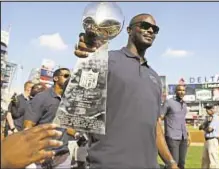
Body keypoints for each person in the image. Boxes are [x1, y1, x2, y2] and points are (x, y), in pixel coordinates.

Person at [74, 13, 178, 169]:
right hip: (109, 164)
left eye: (154, 29)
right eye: (144, 26)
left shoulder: (155, 77)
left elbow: (155, 126)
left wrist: (170, 162)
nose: (150, 30)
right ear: (129, 30)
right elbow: (76, 99)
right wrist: (86, 60)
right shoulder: (107, 59)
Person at [23, 68, 79, 169]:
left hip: (63, 156)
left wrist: (77, 133)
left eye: (70, 76)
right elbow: (28, 126)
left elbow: (66, 126)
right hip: (42, 156)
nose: (69, 78)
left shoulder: (70, 100)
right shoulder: (42, 97)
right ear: (55, 78)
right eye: (66, 76)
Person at [160, 84, 191, 169]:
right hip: (172, 137)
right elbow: (160, 117)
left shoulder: (184, 105)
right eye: (179, 90)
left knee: (182, 163)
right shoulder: (169, 102)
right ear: (175, 91)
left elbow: (182, 120)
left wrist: (188, 135)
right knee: (173, 163)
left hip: (183, 137)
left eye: (183, 90)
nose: (181, 92)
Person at [199, 103, 219, 169]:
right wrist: (206, 123)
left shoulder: (216, 117)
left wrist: (204, 126)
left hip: (213, 140)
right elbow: (200, 127)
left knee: (214, 160)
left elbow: (209, 129)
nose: (207, 110)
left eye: (209, 108)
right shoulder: (208, 118)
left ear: (213, 109)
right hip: (207, 141)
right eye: (207, 109)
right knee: (205, 160)